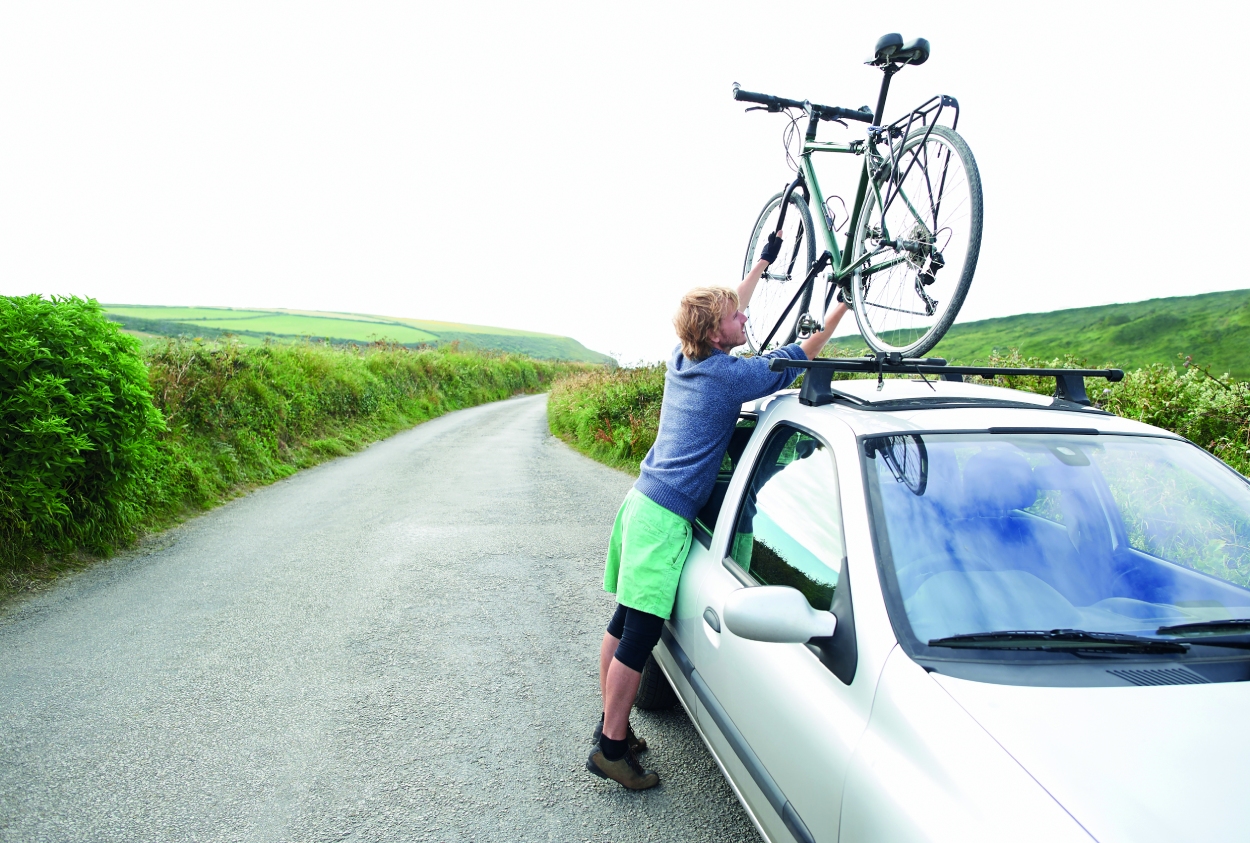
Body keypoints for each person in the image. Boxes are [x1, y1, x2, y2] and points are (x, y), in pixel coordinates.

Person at [585, 232, 850, 789]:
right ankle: (611, 745)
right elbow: (796, 358)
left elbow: (732, 301)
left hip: (641, 504)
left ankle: (609, 728)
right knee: (639, 634)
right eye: (735, 318)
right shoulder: (727, 378)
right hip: (662, 519)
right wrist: (839, 309)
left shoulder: (684, 358)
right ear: (714, 332)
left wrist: (760, 266)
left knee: (621, 619)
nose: (744, 320)